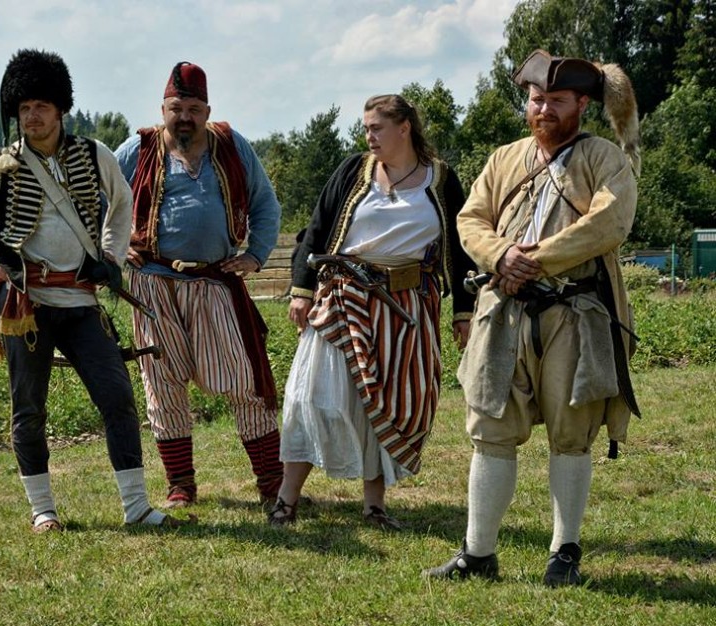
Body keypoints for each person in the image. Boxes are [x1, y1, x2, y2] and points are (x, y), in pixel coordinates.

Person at [0, 49, 191, 533]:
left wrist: (110, 257)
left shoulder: (93, 154)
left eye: (41, 106)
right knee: (29, 410)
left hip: (81, 301)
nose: (32, 116)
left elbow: (121, 203)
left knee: (117, 398)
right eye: (24, 108)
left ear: (60, 108)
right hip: (26, 303)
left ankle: (136, 507)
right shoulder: (0, 165)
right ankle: (43, 511)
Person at [423, 49, 640, 586]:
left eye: (557, 100)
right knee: (490, 429)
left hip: (575, 314)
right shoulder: (505, 159)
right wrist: (500, 255)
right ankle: (478, 554)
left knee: (572, 433)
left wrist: (535, 259)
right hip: (503, 312)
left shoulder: (603, 158)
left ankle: (564, 553)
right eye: (537, 99)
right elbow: (470, 219)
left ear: (582, 104)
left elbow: (610, 222)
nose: (543, 109)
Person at [268, 94, 475, 529]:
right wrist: (302, 290)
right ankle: (286, 499)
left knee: (386, 403)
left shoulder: (440, 179)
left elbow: (460, 249)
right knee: (311, 399)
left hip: (407, 307)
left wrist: (463, 310)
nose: (369, 137)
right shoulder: (353, 171)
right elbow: (316, 229)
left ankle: (374, 505)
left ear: (404, 128)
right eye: (365, 128)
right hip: (344, 298)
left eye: (376, 128)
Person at [114, 62, 283, 509]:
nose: (184, 117)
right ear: (162, 110)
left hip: (214, 282)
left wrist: (256, 254)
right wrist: (115, 245)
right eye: (176, 108)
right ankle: (180, 486)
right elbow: (95, 199)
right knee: (162, 383)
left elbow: (266, 204)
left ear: (207, 111)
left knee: (243, 381)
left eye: (193, 109)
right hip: (153, 284)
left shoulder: (231, 146)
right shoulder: (137, 149)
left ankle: (272, 484)